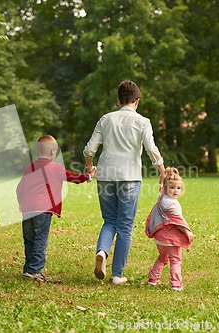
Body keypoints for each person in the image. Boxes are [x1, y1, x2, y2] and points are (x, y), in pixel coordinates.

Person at [83, 80, 165, 285]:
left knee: (109, 220)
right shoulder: (143, 121)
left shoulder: (106, 119)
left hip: (105, 175)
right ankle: (117, 274)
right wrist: (162, 172)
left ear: (118, 100)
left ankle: (102, 251)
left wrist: (89, 166)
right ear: (137, 101)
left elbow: (89, 149)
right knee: (125, 226)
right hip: (129, 177)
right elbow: (151, 149)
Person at [16, 135, 96, 282]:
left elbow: (19, 188)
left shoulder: (30, 167)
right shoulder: (56, 168)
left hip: (27, 210)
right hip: (43, 210)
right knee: (40, 240)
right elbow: (73, 178)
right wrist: (88, 176)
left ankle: (28, 268)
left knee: (29, 239)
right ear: (53, 152)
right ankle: (35, 270)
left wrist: (22, 204)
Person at [145, 167, 194, 291]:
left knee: (162, 258)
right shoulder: (172, 204)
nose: (175, 191)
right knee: (175, 260)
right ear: (166, 189)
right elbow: (177, 220)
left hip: (160, 238)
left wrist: (163, 180)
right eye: (172, 188)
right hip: (171, 238)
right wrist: (187, 231)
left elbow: (160, 187)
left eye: (178, 188)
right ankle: (176, 284)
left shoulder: (162, 199)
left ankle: (153, 279)